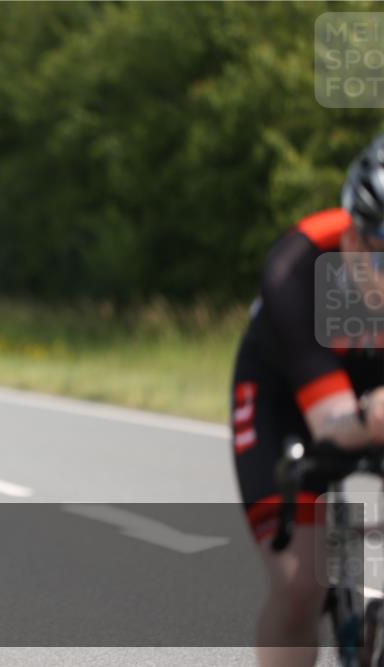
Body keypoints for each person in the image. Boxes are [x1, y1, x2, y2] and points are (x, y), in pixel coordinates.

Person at [232, 135, 384, 666]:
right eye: (377, 249)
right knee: (299, 582)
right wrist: (373, 412)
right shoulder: (295, 268)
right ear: (350, 234)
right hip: (292, 393)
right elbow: (334, 423)